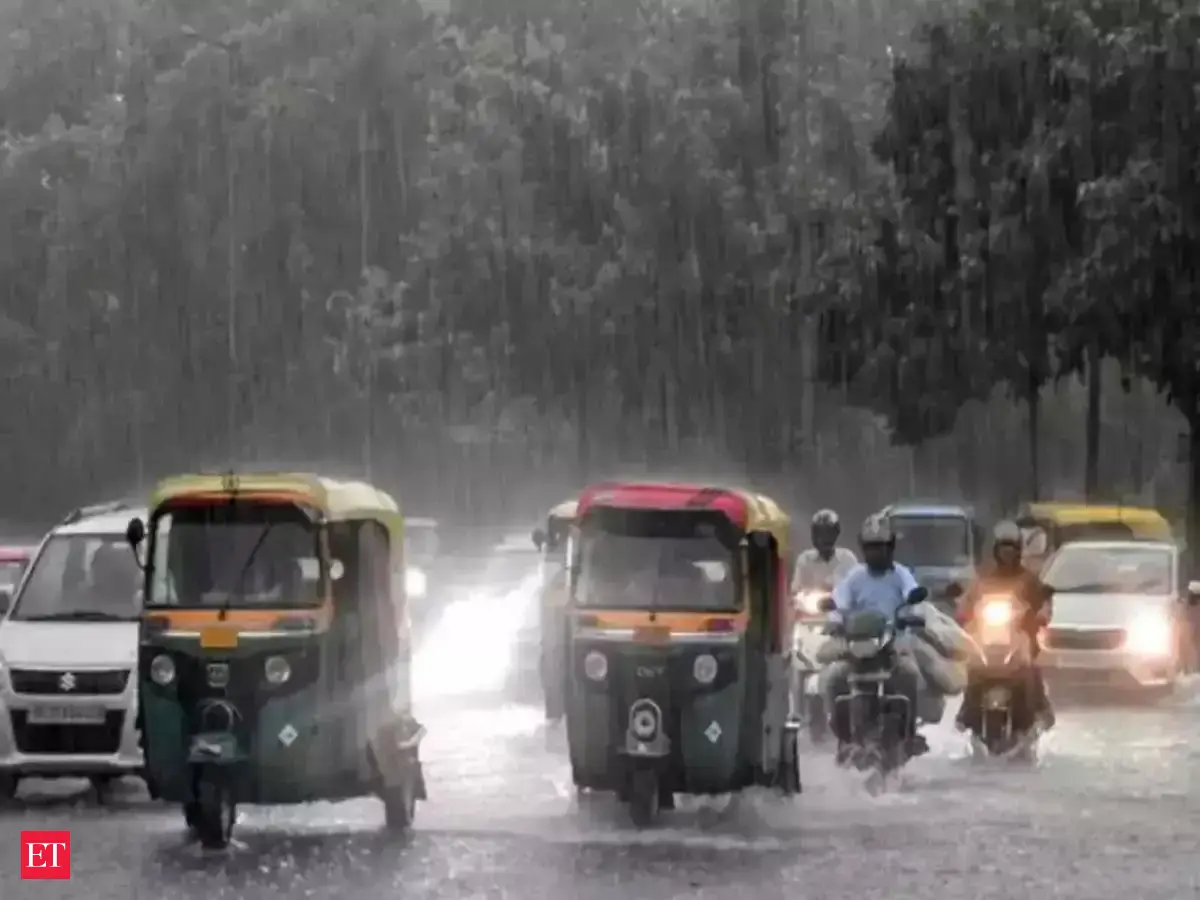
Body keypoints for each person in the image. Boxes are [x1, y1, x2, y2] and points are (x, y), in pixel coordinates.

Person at [824, 513, 927, 759]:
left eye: (880, 547)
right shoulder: (855, 577)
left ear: (890, 547)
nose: (876, 553)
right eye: (871, 548)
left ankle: (909, 734)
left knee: (910, 674)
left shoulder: (901, 574)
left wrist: (910, 616)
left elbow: (913, 596)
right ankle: (841, 735)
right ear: (863, 548)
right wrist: (835, 622)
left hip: (891, 646)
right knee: (833, 677)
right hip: (859, 647)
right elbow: (839, 603)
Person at [955, 520, 1055, 732]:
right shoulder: (985, 579)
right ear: (996, 551)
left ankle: (1039, 707)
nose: (1007, 554)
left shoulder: (1029, 580)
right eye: (1003, 549)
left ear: (1018, 551)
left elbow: (1044, 603)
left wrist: (1040, 614)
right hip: (988, 636)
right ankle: (968, 711)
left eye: (1011, 549)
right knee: (974, 667)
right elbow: (968, 600)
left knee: (1029, 668)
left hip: (1019, 636)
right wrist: (962, 612)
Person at [791, 509, 859, 593]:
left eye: (829, 533)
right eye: (820, 533)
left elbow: (858, 589)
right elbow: (797, 590)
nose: (824, 538)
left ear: (836, 534)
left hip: (842, 605)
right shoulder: (805, 560)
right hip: (812, 605)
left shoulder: (848, 559)